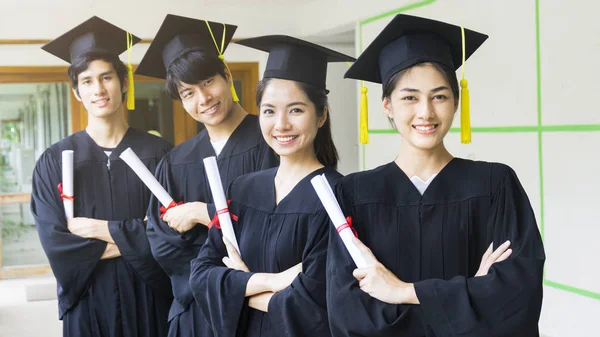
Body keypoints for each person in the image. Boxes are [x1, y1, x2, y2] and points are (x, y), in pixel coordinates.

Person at [326, 14, 546, 337]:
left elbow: (515, 300)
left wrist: (403, 291)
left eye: (439, 96)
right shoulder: (353, 195)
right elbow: (348, 316)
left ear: (456, 102)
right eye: (409, 97)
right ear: (387, 105)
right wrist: (470, 293)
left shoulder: (496, 187)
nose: (425, 112)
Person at [189, 35, 355, 337]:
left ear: (321, 116)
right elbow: (201, 275)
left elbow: (319, 298)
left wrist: (240, 285)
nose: (281, 124)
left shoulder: (339, 196)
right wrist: (272, 282)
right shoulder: (242, 190)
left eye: (295, 110)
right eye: (269, 111)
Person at [135, 14, 279, 337]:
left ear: (226, 75)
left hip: (257, 310)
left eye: (207, 82)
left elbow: (280, 224)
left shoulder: (270, 140)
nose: (203, 99)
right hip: (194, 313)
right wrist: (215, 274)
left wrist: (203, 214)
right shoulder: (176, 161)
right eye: (188, 93)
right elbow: (161, 243)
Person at [31, 16, 172, 337]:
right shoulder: (54, 160)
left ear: (124, 82)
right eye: (87, 81)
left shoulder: (160, 154)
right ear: (77, 91)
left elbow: (172, 234)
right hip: (87, 301)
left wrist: (102, 230)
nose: (98, 89)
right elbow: (56, 243)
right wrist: (138, 236)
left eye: (106, 77)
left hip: (150, 300)